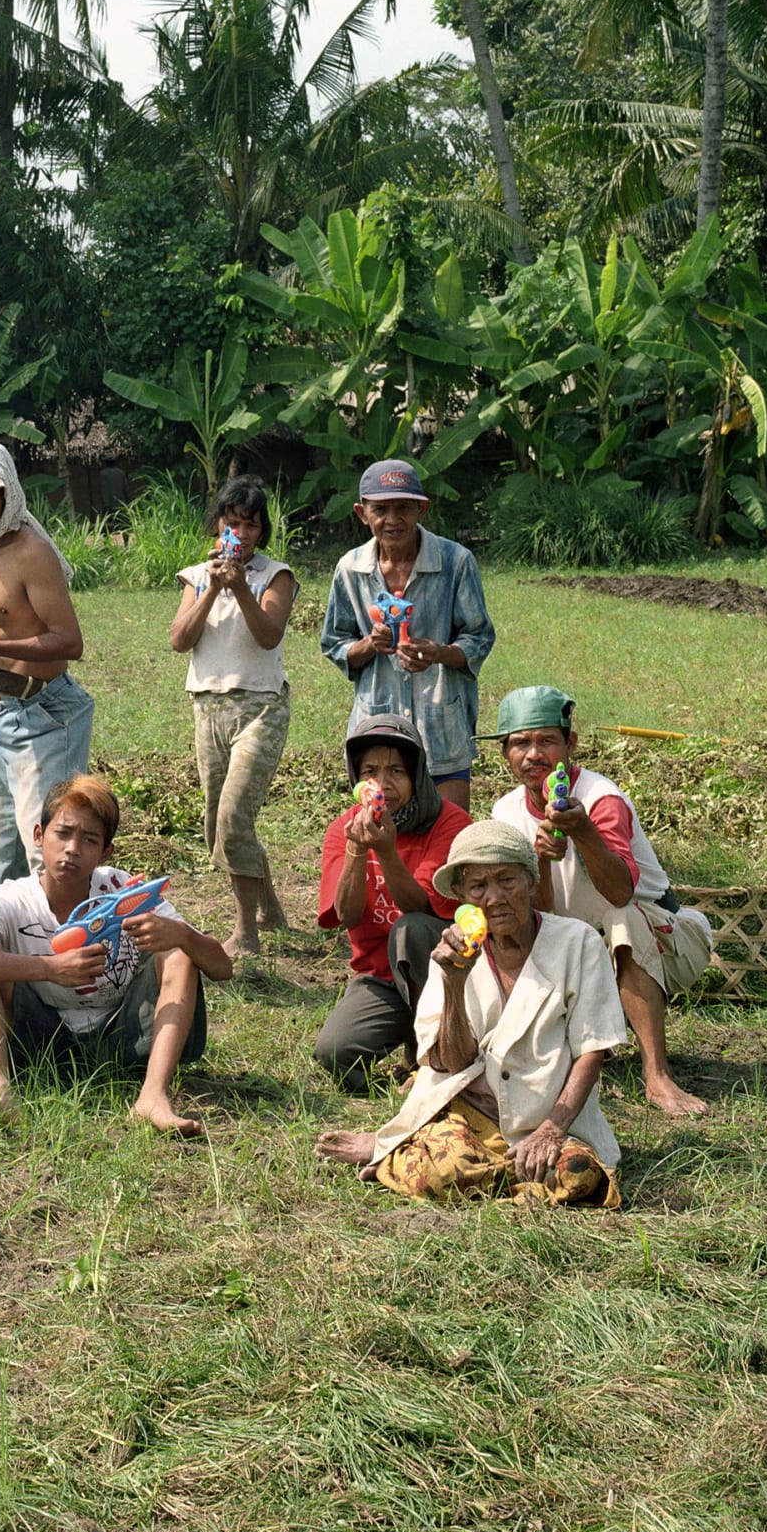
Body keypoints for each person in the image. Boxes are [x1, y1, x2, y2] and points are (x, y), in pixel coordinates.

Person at [317, 820, 633, 1207]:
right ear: (463, 896)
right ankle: (490, 1173)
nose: (495, 898)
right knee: (446, 1168)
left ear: (531, 881)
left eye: (507, 880)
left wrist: (551, 1130)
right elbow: (452, 1062)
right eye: (478, 887)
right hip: (469, 1116)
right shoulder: (451, 951)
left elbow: (592, 1050)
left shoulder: (577, 942)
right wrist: (453, 984)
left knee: (578, 1171)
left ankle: (411, 1157)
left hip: (547, 1119)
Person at [0, 774, 233, 1133]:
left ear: (105, 852)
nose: (72, 848)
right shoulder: (13, 898)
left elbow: (222, 968)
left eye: (89, 839)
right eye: (63, 833)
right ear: (38, 836)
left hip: (125, 1040)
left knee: (179, 954)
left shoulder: (124, 892)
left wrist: (182, 935)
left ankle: (153, 1095)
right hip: (39, 1044)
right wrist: (49, 968)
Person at [489, 686, 713, 1118]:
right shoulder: (506, 812)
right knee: (519, 926)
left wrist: (583, 831)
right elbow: (540, 913)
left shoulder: (600, 798)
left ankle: (657, 1075)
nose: (533, 754)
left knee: (622, 917)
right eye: (520, 743)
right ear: (505, 753)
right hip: (586, 944)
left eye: (546, 741)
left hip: (667, 938)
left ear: (570, 745)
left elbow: (621, 892)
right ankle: (588, 1038)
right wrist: (541, 858)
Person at [0, 436, 90, 883]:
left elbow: (69, 642)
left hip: (44, 712)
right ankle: (15, 947)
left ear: (7, 493)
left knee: (48, 851)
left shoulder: (31, 552)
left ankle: (64, 949)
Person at [169, 475, 296, 965]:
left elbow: (268, 635)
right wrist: (211, 589)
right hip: (208, 708)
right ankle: (269, 909)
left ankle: (245, 932)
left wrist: (241, 589)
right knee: (214, 822)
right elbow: (180, 640)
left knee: (234, 818)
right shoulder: (196, 575)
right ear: (218, 524)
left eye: (250, 525)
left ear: (261, 532)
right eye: (232, 522)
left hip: (260, 708)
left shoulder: (274, 576)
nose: (239, 533)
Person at [319, 459, 494, 811]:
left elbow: (479, 637)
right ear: (361, 513)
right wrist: (369, 645)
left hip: (441, 729)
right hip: (376, 728)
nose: (392, 520)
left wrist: (439, 653)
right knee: (381, 837)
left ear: (422, 509)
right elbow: (334, 643)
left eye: (403, 508)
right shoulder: (351, 569)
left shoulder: (455, 561)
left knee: (448, 838)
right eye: (380, 509)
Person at [311, 714, 473, 1088]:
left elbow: (419, 908)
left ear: (416, 776)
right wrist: (356, 848)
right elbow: (347, 915)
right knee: (335, 1052)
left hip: (443, 973)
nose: (382, 785)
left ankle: (435, 1054)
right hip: (381, 978)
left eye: (396, 771)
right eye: (370, 771)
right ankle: (410, 1041)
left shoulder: (449, 823)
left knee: (409, 929)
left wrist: (386, 853)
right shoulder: (344, 829)